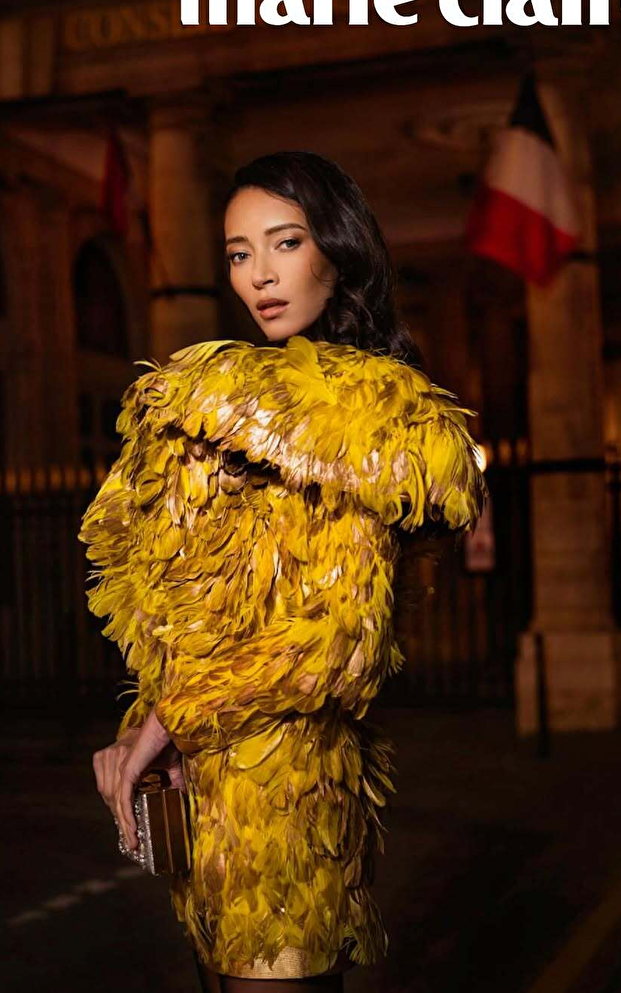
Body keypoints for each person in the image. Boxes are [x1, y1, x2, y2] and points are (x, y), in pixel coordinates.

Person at [83, 150, 487, 992]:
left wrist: (163, 721)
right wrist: (157, 730)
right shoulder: (231, 404)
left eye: (286, 242)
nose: (259, 275)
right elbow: (187, 600)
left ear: (338, 249)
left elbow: (334, 647)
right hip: (205, 790)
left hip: (293, 802)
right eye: (239, 252)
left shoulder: (370, 421)